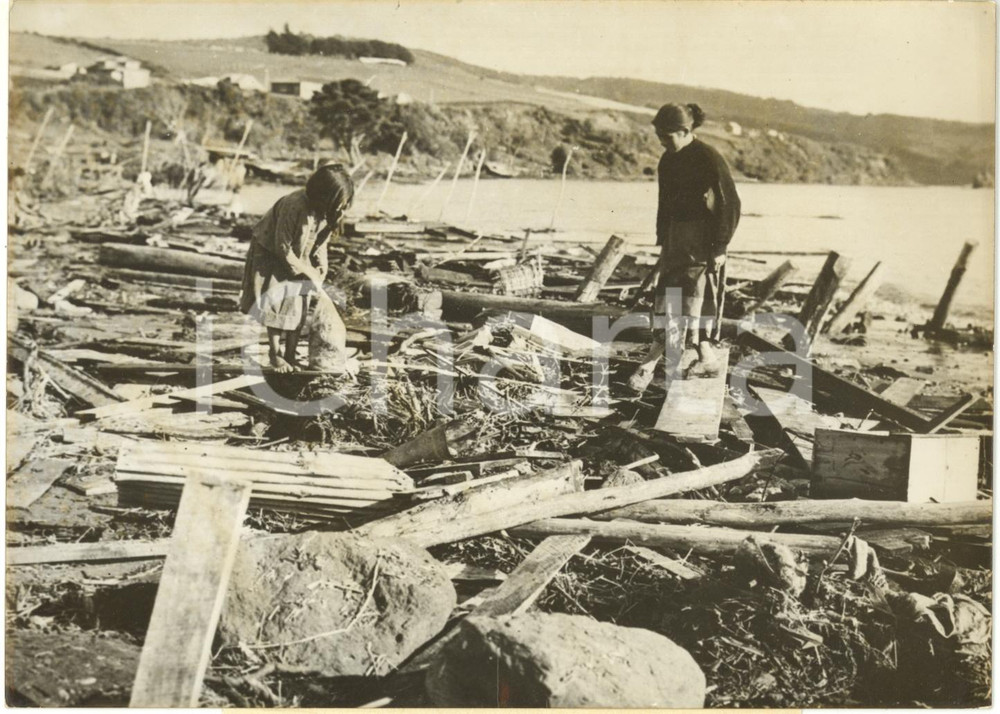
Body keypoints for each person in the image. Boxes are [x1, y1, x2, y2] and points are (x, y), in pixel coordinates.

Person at [649, 102, 741, 376]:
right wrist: (663, 240)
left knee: (696, 297)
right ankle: (674, 357)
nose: (663, 143)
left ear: (685, 130)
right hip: (676, 238)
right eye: (660, 138)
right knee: (668, 295)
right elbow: (664, 203)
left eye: (668, 137)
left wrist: (721, 245)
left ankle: (702, 356)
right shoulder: (667, 160)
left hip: (702, 241)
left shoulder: (708, 157)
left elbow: (730, 203)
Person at [240, 164, 354, 372]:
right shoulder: (294, 206)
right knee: (277, 303)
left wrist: (320, 269)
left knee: (300, 302)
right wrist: (306, 271)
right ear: (323, 195)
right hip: (271, 252)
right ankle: (275, 354)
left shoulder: (329, 212)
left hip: (300, 254)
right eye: (339, 202)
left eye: (344, 204)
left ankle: (290, 355)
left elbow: (321, 244)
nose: (341, 207)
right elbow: (282, 248)